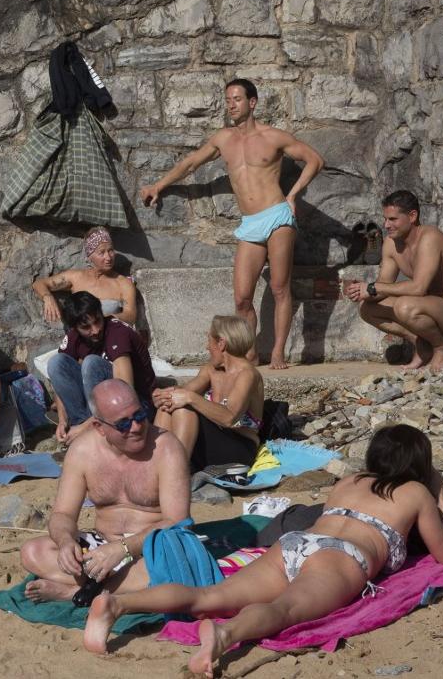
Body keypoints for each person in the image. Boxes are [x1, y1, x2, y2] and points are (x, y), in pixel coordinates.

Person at [83, 424, 443, 675]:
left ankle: (117, 604)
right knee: (284, 610)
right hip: (342, 556)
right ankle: (225, 636)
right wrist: (437, 490)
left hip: (297, 543)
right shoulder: (416, 492)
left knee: (210, 595)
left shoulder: (350, 480)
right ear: (418, 465)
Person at [139, 78, 324, 369]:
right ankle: (250, 353)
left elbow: (314, 160)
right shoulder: (223, 139)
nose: (231, 105)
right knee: (241, 299)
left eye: (237, 99)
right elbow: (191, 163)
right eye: (227, 100)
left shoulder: (273, 137)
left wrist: (293, 195)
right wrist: (158, 186)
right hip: (250, 222)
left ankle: (278, 352)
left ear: (252, 102)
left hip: (277, 216)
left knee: (280, 288)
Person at [20, 379, 191, 602]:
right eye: (123, 424)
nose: (136, 427)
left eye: (139, 416)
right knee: (33, 552)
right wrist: (65, 542)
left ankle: (76, 592)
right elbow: (63, 514)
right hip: (102, 544)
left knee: (172, 561)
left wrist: (123, 549)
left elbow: (177, 522)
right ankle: (115, 586)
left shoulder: (167, 448)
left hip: (150, 548)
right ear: (99, 427)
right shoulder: (83, 451)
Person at [344, 190, 443, 372]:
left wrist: (373, 287)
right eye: (385, 219)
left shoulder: (430, 237)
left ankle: (442, 348)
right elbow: (384, 285)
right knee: (367, 308)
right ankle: (420, 343)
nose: (386, 225)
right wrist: (362, 291)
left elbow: (418, 288)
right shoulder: (391, 244)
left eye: (393, 219)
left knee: (404, 306)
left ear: (412, 216)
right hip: (426, 307)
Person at [153, 316, 264, 473]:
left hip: (239, 448)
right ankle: (155, 470)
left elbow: (229, 418)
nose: (207, 347)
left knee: (185, 409)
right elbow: (184, 391)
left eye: (209, 341)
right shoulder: (211, 370)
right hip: (212, 443)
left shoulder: (248, 375)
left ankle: (175, 475)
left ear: (221, 344)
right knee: (167, 406)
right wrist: (163, 395)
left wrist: (190, 398)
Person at [47, 292, 155, 443]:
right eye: (86, 327)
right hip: (99, 409)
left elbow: (126, 392)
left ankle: (90, 430)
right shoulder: (73, 337)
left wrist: (85, 427)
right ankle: (82, 426)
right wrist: (62, 420)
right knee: (56, 363)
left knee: (91, 363)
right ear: (75, 328)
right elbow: (61, 379)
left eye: (98, 321)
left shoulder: (118, 332)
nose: (96, 330)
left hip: (137, 406)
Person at [32, 226, 138, 325]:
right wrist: (47, 297)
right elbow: (39, 284)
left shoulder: (123, 284)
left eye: (110, 251)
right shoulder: (75, 277)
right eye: (101, 253)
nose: (108, 257)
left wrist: (100, 319)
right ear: (90, 256)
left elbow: (131, 316)